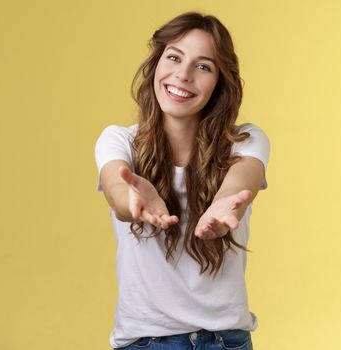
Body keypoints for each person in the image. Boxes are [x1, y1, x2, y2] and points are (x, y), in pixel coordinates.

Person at [95, 11, 270, 350]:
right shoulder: (118, 141)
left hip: (226, 341)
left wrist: (225, 203)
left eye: (203, 66)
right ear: (156, 64)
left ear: (220, 82)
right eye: (174, 57)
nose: (183, 74)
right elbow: (117, 190)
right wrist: (131, 202)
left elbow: (240, 182)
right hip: (146, 342)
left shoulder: (247, 140)